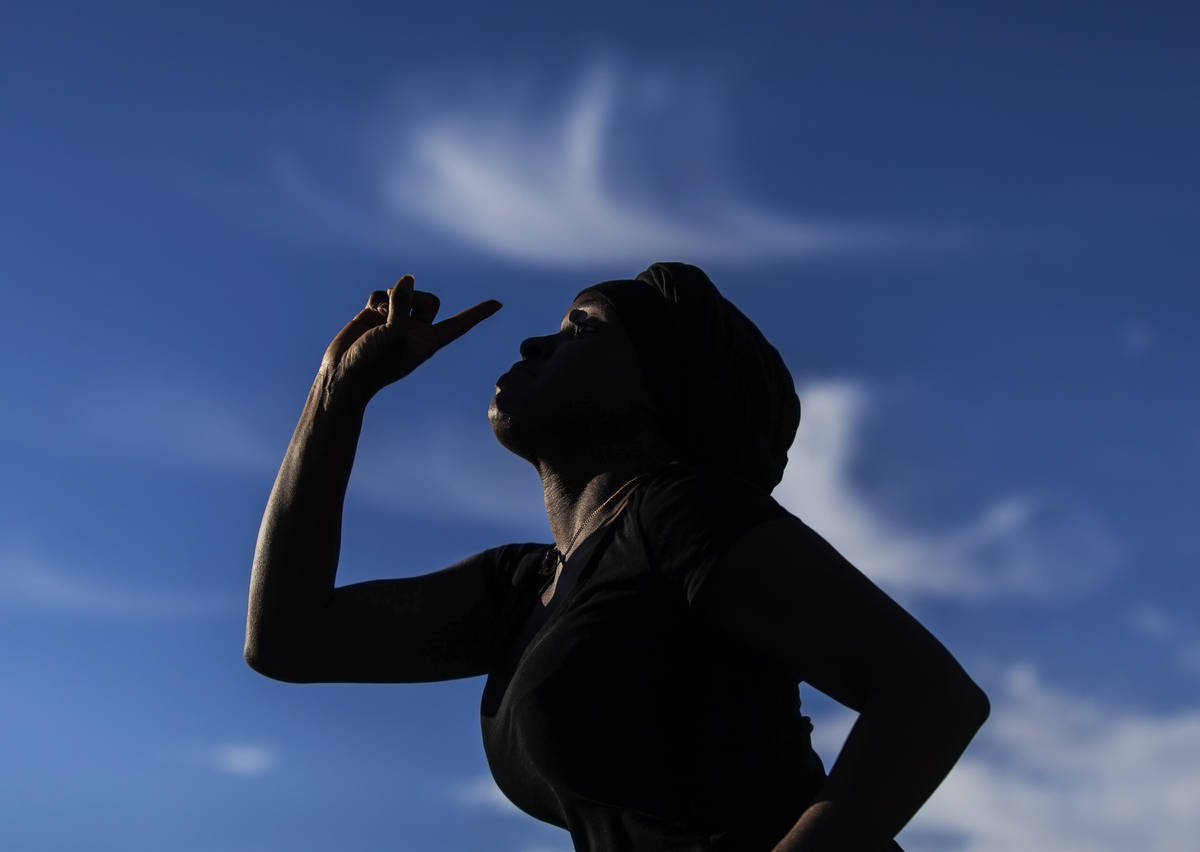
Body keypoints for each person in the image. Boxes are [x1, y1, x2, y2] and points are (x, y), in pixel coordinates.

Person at [244, 262, 990, 851]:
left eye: (584, 329)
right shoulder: (525, 588)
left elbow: (930, 697)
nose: (538, 343)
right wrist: (338, 391)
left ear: (657, 394)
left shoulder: (681, 515)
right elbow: (289, 637)